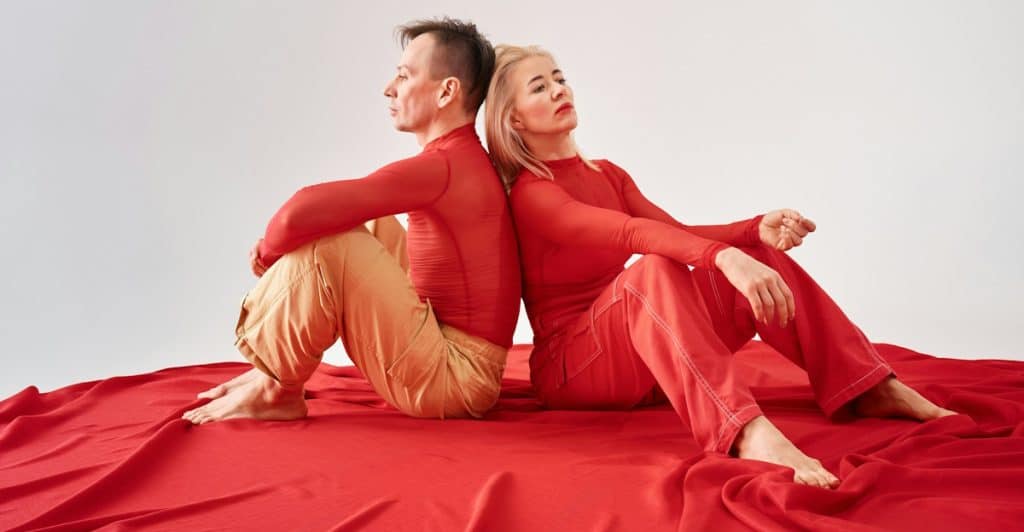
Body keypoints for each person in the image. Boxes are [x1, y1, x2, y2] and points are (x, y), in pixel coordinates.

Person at [484, 44, 957, 489]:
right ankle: (744, 431)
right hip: (574, 372)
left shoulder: (606, 173)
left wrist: (751, 233)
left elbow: (673, 231)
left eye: (559, 78)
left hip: (645, 357)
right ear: (514, 118)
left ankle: (866, 387)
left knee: (756, 259)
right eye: (540, 87)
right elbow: (633, 234)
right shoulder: (532, 194)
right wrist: (724, 257)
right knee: (654, 269)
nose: (559, 90)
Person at [182, 18, 520, 425]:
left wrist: (269, 252)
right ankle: (270, 370)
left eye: (404, 76)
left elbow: (299, 212)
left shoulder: (445, 165)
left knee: (333, 244)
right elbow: (326, 212)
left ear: (447, 91)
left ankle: (276, 390)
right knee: (371, 226)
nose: (389, 89)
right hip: (462, 363)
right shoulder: (460, 159)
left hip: (455, 381)